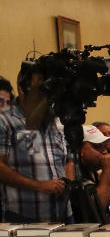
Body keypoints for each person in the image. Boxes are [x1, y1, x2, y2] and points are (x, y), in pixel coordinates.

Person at [0, 62, 74, 223]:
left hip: (63, 212)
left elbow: (69, 158)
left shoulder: (57, 119)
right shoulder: (6, 120)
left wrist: (68, 183)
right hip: (26, 216)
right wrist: (39, 186)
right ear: (21, 90)